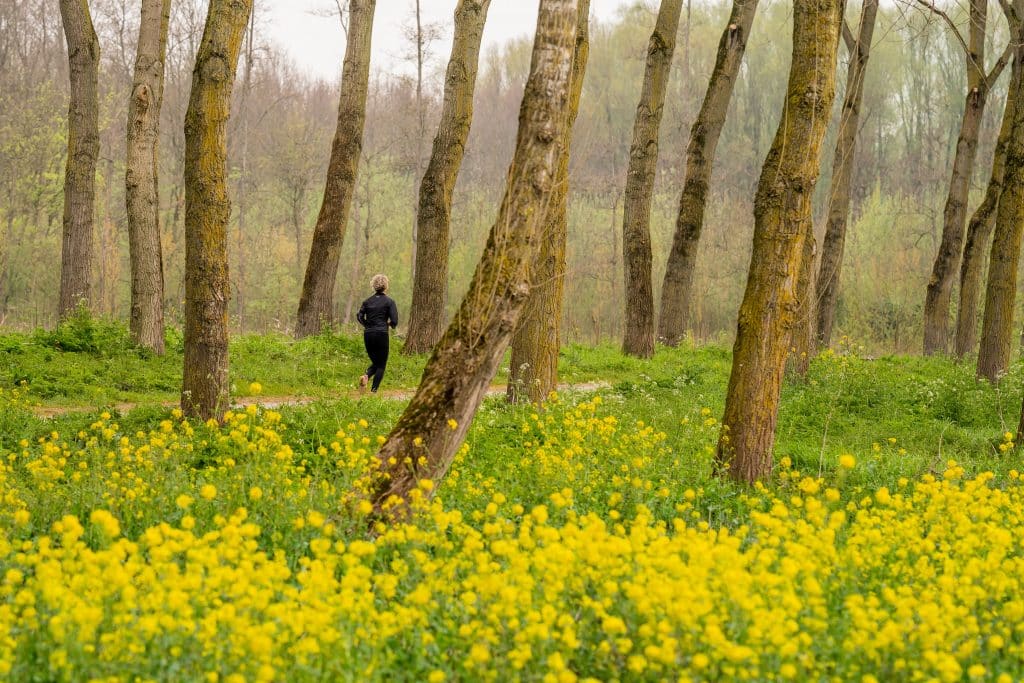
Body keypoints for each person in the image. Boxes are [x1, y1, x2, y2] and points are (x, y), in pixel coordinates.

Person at [356, 273, 398, 393]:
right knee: (381, 364)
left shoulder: (367, 301)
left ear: (373, 286)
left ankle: (366, 377)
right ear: (386, 286)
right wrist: (390, 325)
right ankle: (373, 391)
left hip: (368, 334)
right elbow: (394, 320)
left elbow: (359, 316)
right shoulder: (389, 302)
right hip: (381, 334)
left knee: (376, 362)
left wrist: (366, 325)